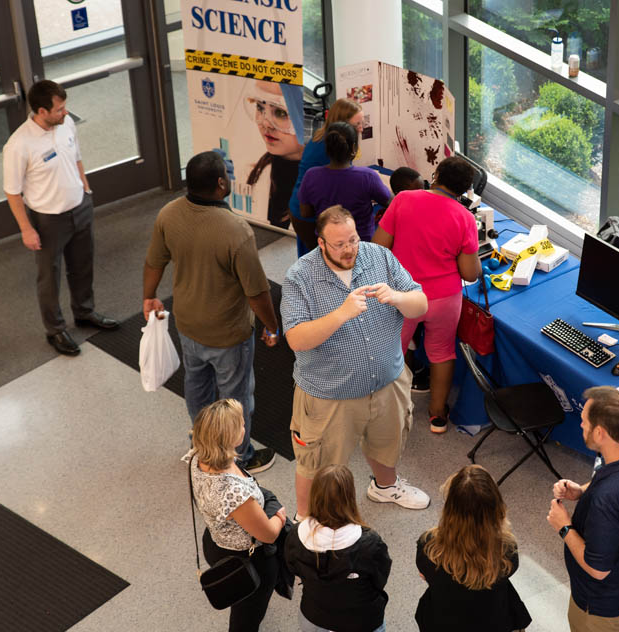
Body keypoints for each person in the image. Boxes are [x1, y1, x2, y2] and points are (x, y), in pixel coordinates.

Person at [281, 205, 430, 520]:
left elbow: (421, 304)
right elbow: (295, 338)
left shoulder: (379, 257)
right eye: (339, 244)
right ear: (321, 243)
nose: (349, 249)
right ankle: (306, 520)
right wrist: (341, 314)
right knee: (317, 461)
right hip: (329, 394)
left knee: (388, 441)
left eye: (353, 240)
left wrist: (398, 297)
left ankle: (385, 487)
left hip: (387, 382)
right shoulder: (300, 277)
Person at [143, 151, 280, 473]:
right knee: (235, 399)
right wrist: (272, 326)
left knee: (197, 385)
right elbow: (257, 292)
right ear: (221, 184)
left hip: (187, 324)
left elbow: (154, 262)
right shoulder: (236, 230)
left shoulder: (168, 214)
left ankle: (201, 443)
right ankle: (240, 458)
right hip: (228, 333)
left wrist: (148, 297)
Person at [2, 79, 119, 356]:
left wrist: (85, 188)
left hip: (80, 207)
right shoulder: (19, 144)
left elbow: (77, 157)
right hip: (48, 220)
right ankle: (55, 330)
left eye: (65, 107)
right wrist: (26, 229)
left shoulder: (66, 124)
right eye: (59, 109)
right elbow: (12, 192)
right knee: (49, 277)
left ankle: (84, 312)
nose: (65, 112)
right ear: (41, 112)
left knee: (83, 265)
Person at [373, 156, 482, 433]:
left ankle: (387, 415)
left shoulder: (404, 199)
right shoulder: (465, 218)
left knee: (391, 351)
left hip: (402, 294)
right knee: (442, 352)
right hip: (444, 299)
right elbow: (470, 273)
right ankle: (437, 416)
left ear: (435, 176)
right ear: (463, 191)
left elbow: (378, 246)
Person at [547, 386, 619, 632]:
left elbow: (598, 569)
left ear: (599, 432)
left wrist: (563, 526)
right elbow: (608, 479)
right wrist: (581, 491)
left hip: (600, 602)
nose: (580, 425)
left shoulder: (608, 499)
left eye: (584, 421)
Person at [186, 399, 287, 632]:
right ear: (228, 437)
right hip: (249, 559)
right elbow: (268, 534)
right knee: (246, 620)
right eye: (241, 425)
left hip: (215, 542)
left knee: (243, 601)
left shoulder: (198, 456)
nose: (245, 426)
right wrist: (280, 517)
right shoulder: (234, 494)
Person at [415, 465, 531, 632]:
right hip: (495, 628)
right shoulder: (506, 550)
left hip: (441, 628)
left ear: (450, 509)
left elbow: (426, 575)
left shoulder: (429, 547)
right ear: (496, 508)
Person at [285, 465, 391, 632]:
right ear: (350, 496)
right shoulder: (369, 544)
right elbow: (379, 579)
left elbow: (293, 567)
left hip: (313, 619)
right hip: (359, 627)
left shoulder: (296, 535)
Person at [288, 98, 364, 256]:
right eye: (357, 124)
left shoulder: (323, 138)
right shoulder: (328, 149)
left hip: (302, 207)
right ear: (342, 123)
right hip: (307, 213)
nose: (361, 129)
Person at [297, 122, 392, 243]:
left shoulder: (311, 175)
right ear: (353, 148)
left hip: (328, 245)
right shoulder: (367, 176)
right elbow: (389, 202)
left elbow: (305, 213)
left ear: (327, 148)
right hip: (361, 245)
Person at [240, 79, 304, 229]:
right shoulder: (249, 173)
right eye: (260, 107)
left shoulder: (325, 180)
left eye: (281, 112)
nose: (266, 124)